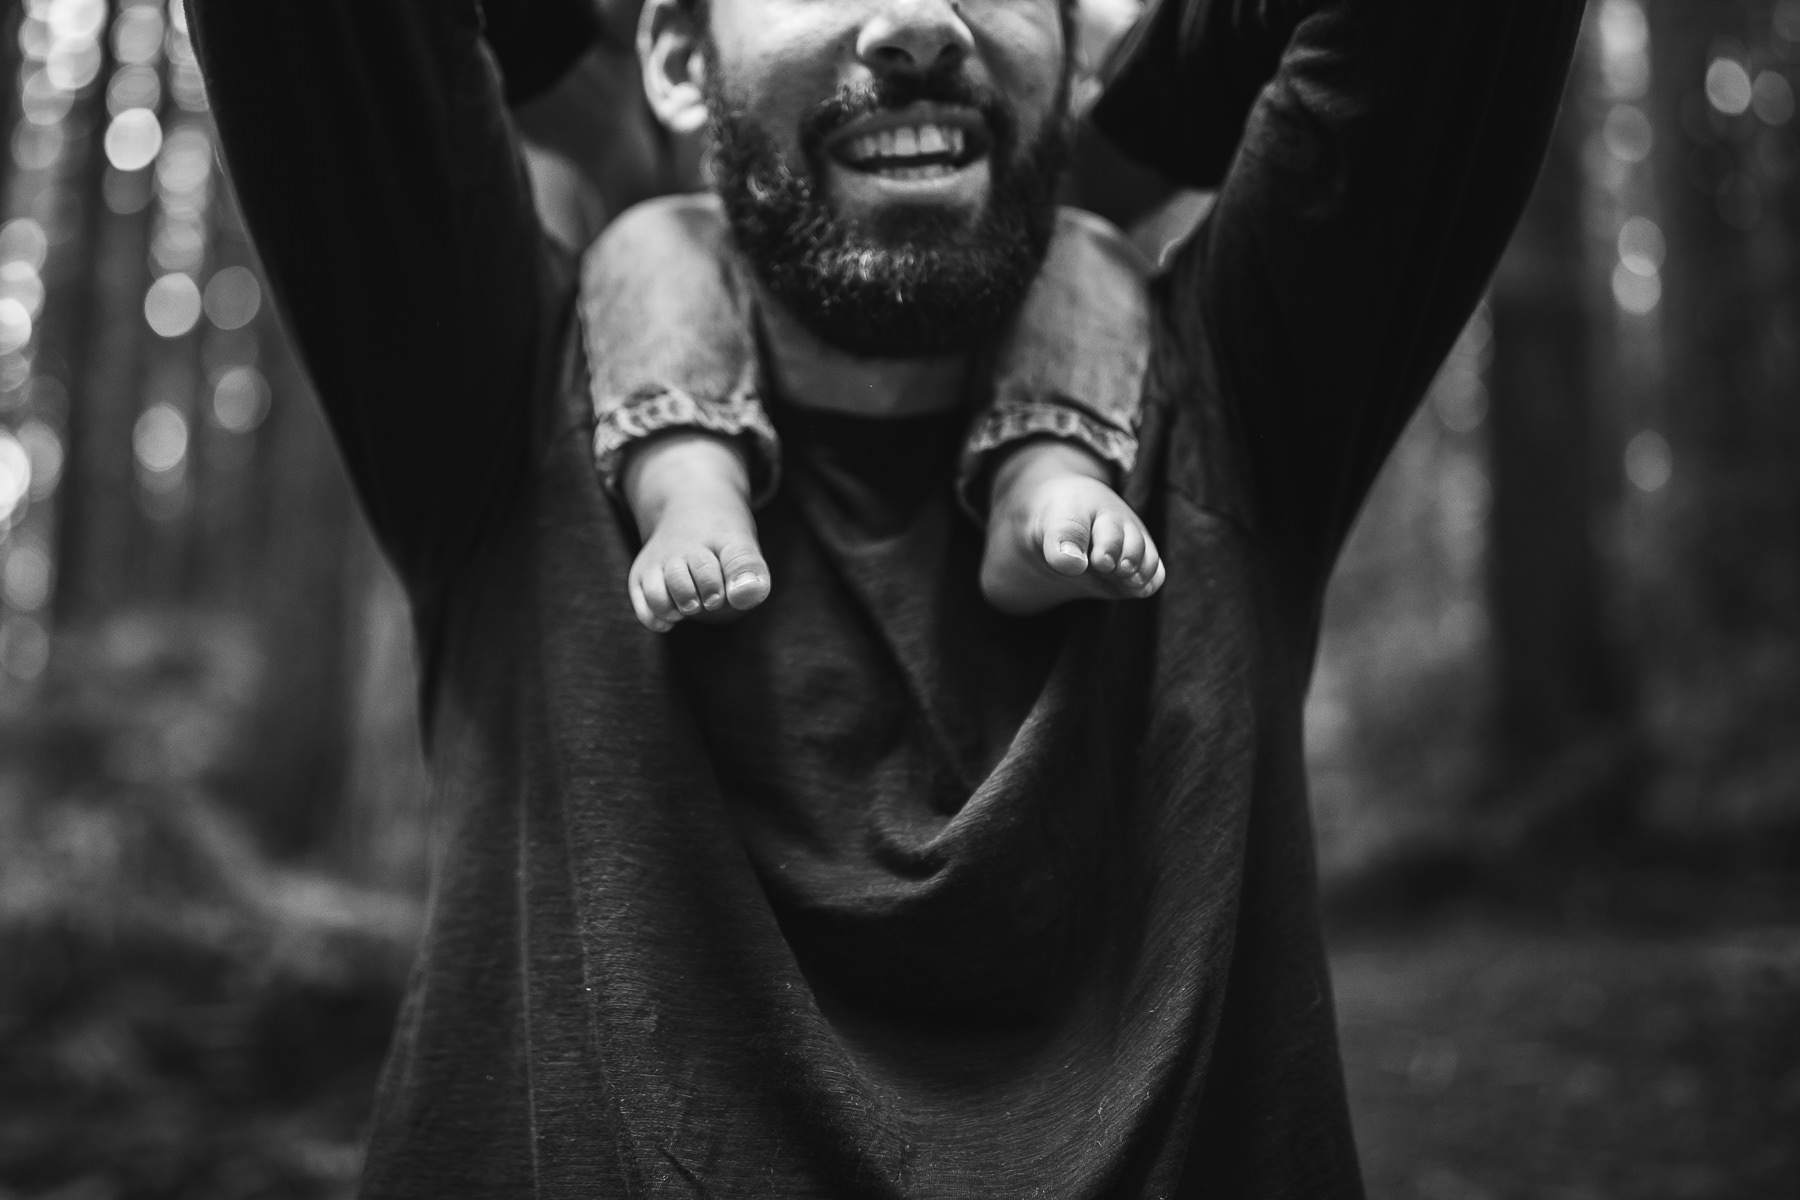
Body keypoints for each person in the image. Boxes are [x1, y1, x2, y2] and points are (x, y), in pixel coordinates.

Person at [187, 0, 1583, 1195]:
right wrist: (593, 90)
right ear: (681, 54)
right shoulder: (499, 404)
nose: (918, 21)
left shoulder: (1236, 402)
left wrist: (1097, 134)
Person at [582, 197, 1164, 630]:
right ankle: (689, 487)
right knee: (652, 236)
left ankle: (1045, 477)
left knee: (1085, 244)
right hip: (748, 210)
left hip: (1000, 214)